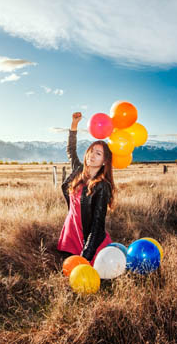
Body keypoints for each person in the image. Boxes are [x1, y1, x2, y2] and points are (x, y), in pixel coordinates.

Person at [57, 112, 115, 265]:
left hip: (88, 235)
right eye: (91, 151)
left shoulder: (102, 186)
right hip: (72, 228)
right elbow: (71, 150)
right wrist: (74, 126)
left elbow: (97, 225)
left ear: (104, 161)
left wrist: (86, 255)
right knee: (68, 268)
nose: (92, 155)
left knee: (89, 270)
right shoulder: (78, 170)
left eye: (98, 153)